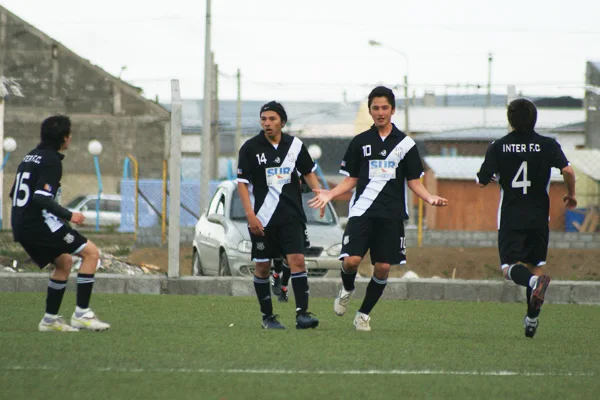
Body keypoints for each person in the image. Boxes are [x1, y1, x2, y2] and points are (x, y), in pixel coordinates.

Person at [309, 86, 448, 331]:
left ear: (393, 110)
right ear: (371, 111)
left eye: (385, 107)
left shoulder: (406, 145)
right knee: (351, 261)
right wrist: (330, 193)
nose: (380, 112)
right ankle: (347, 289)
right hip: (361, 213)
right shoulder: (360, 142)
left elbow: (414, 182)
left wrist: (429, 198)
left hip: (391, 216)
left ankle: (363, 315)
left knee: (383, 267)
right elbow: (351, 179)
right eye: (376, 108)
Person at [476, 99, 576, 338]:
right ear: (534, 118)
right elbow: (569, 171)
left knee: (509, 268)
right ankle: (531, 320)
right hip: (540, 217)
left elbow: (481, 179)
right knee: (536, 268)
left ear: (510, 120)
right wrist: (571, 194)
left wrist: (492, 177)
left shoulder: (498, 146)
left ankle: (532, 285)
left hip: (511, 216)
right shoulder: (549, 145)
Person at [9, 115, 110, 332]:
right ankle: (82, 314)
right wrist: (68, 215)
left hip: (21, 225)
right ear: (63, 138)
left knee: (64, 263)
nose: (71, 138)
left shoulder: (29, 157)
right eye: (69, 134)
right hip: (37, 225)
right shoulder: (51, 161)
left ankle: (50, 320)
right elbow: (40, 197)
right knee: (91, 253)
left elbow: (17, 195)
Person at [237, 101, 321, 329]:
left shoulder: (294, 146)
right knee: (263, 266)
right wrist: (250, 216)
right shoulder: (250, 148)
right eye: (264, 119)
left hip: (292, 217)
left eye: (272, 119)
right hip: (262, 220)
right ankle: (268, 317)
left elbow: (309, 173)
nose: (267, 123)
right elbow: (242, 185)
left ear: (282, 122)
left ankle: (302, 314)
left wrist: (320, 195)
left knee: (298, 261)